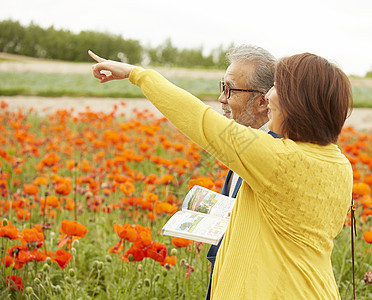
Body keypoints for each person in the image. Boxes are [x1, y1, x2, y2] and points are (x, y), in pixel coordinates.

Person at [89, 50, 353, 299]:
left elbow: (199, 119)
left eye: (277, 88)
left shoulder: (277, 158)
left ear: (298, 103)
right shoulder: (341, 165)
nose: (269, 96)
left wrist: (137, 74)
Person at [206, 45, 277, 300]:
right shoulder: (245, 140)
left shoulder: (272, 152)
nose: (222, 99)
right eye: (221, 87)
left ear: (262, 101)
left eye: (230, 89)